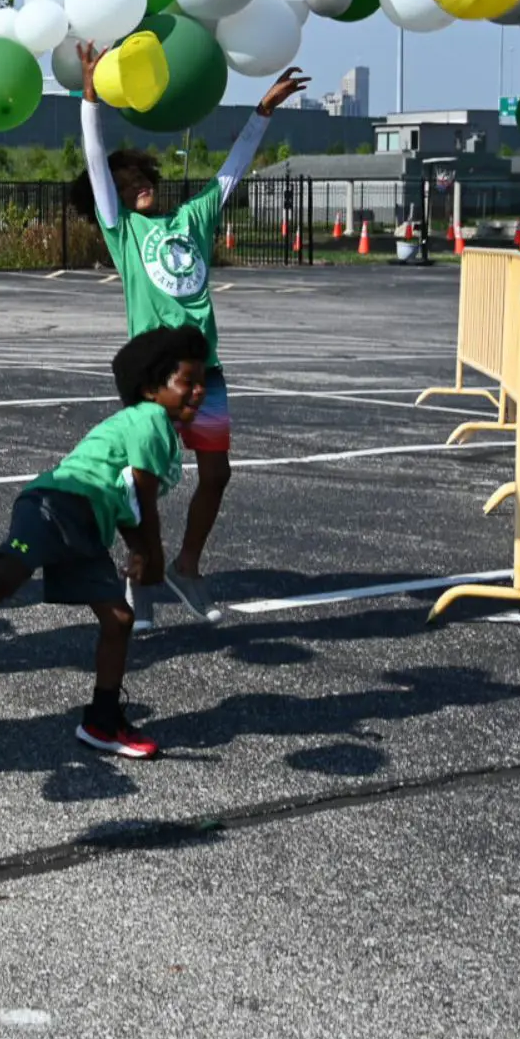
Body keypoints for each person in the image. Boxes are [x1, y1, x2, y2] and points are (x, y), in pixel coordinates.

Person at [73, 51, 309, 623]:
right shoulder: (123, 229)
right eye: (127, 181)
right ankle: (140, 577)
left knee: (217, 473)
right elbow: (96, 166)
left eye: (141, 177)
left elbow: (231, 172)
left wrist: (263, 112)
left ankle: (186, 566)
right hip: (154, 375)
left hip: (204, 369)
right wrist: (91, 95)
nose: (138, 185)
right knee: (146, 481)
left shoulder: (192, 220)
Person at [0, 325, 211, 760]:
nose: (199, 391)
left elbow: (127, 501)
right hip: (55, 502)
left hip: (87, 524)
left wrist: (137, 548)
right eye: (188, 382)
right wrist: (152, 554)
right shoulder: (149, 420)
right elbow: (143, 496)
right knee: (9, 575)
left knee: (119, 619)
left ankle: (102, 722)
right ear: (150, 388)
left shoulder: (160, 430)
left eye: (203, 382)